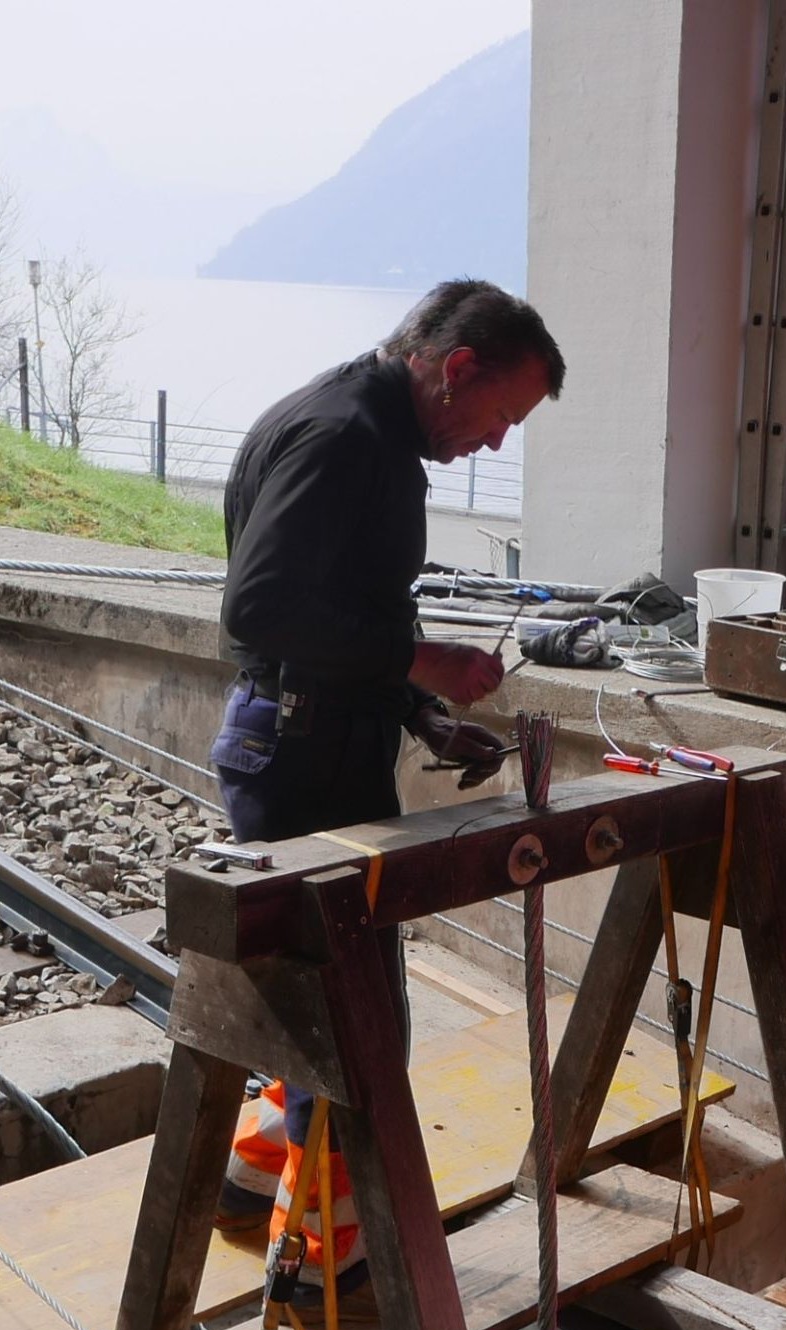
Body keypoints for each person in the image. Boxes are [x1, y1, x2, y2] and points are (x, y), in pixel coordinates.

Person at [211, 279, 567, 1270]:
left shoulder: (360, 428)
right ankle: (329, 1262)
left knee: (317, 1006)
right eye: (500, 416)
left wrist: (420, 710)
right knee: (356, 1023)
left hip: (312, 737)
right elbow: (261, 612)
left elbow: (339, 616)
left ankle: (245, 1187)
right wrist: (421, 663)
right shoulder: (343, 439)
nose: (495, 443)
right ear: (454, 369)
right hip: (295, 756)